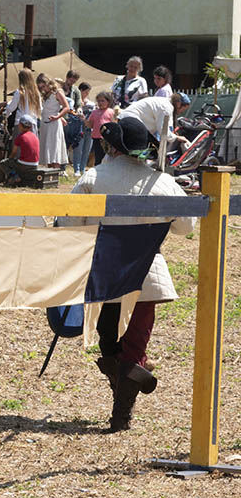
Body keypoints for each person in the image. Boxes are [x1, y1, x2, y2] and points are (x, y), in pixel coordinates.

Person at [61, 116, 191, 431]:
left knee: (110, 341)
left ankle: (126, 386)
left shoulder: (93, 177)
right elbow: (186, 227)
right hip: (146, 276)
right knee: (133, 349)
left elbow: (69, 224)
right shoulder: (163, 183)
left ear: (113, 146)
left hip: (105, 273)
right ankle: (125, 398)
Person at [36, 73, 69, 169]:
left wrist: (58, 116)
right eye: (41, 87)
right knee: (47, 149)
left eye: (44, 86)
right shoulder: (44, 94)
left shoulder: (57, 92)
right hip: (44, 123)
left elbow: (66, 107)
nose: (43, 89)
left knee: (54, 149)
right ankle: (49, 171)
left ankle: (55, 171)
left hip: (54, 124)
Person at [4, 68, 42, 132]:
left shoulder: (19, 92)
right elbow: (40, 109)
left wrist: (6, 115)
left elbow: (11, 108)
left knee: (20, 141)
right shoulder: (36, 93)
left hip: (20, 124)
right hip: (32, 123)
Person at [71, 83, 94, 176]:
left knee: (86, 150)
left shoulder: (90, 103)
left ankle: (83, 168)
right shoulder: (75, 103)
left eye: (88, 92)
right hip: (79, 128)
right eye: (85, 92)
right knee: (78, 149)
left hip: (89, 129)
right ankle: (76, 168)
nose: (87, 94)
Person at [88, 91, 116, 166]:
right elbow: (90, 125)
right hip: (97, 138)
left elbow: (114, 125)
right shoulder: (94, 112)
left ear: (108, 102)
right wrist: (83, 119)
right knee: (98, 158)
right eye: (99, 101)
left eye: (102, 101)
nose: (100, 103)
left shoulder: (111, 112)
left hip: (107, 139)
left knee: (108, 158)